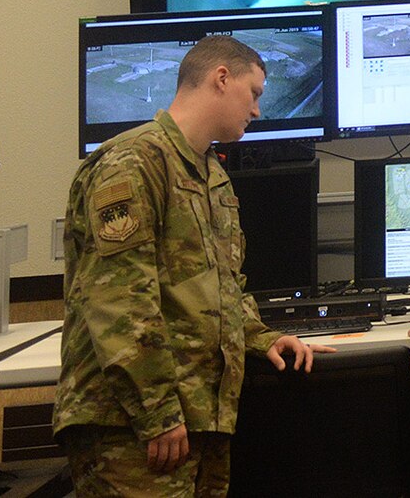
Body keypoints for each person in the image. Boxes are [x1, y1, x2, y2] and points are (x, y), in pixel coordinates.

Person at [54, 35, 332, 497]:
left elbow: (221, 286)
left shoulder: (211, 174)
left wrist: (260, 337)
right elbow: (120, 302)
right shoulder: (133, 162)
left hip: (198, 415)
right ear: (221, 78)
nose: (258, 111)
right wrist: (157, 412)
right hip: (132, 425)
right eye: (255, 93)